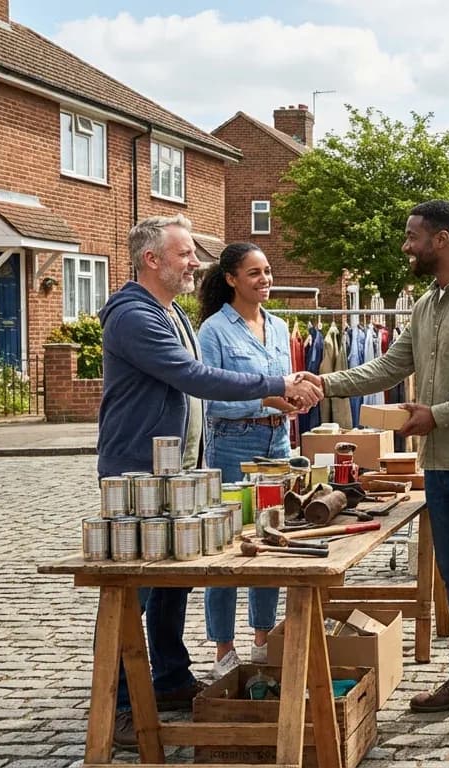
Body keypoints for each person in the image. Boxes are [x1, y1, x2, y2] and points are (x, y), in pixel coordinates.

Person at [301, 200, 449, 738]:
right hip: (441, 463)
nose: (406, 246)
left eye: (413, 236)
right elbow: (390, 365)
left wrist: (438, 416)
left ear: (443, 240)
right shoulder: (428, 305)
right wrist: (321, 383)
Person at [97, 215, 320, 748]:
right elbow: (192, 377)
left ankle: (170, 677)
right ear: (152, 260)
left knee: (175, 580)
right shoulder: (134, 316)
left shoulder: (166, 311)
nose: (195, 263)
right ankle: (121, 705)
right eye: (183, 255)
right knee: (138, 590)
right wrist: (273, 384)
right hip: (138, 474)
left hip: (176, 469)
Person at [196, 243, 301, 680]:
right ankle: (224, 648)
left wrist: (289, 404)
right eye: (254, 273)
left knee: (270, 543)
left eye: (268, 271)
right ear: (231, 279)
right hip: (232, 446)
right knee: (225, 551)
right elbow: (210, 398)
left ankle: (262, 640)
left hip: (276, 444)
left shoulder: (278, 327)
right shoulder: (214, 332)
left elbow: (286, 384)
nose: (265, 279)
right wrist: (267, 398)